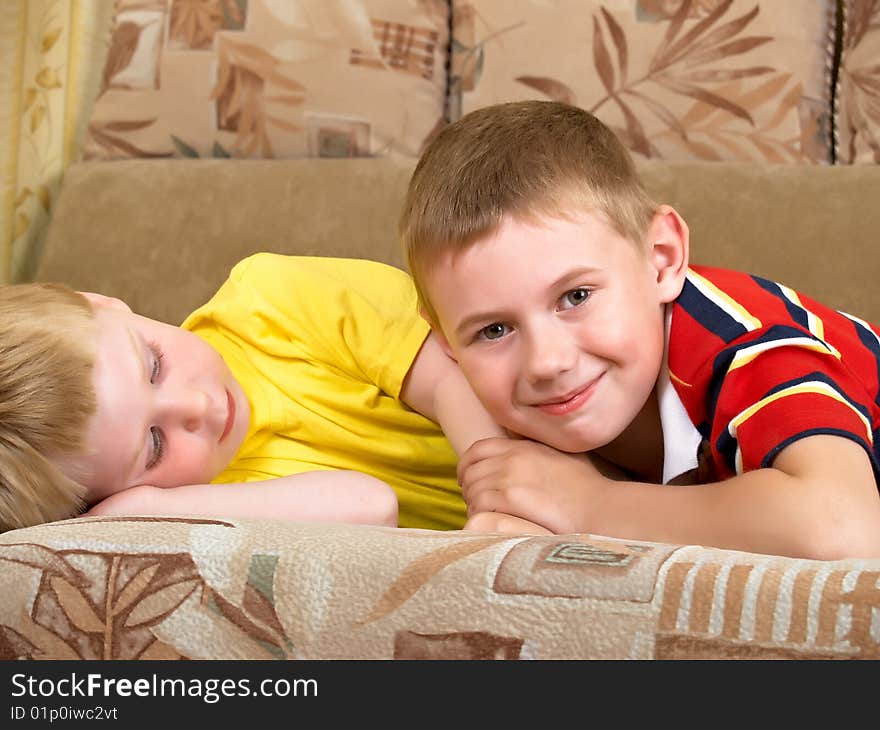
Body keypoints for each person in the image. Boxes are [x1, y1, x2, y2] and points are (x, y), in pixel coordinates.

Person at [399, 99, 880, 559]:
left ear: (661, 260)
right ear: (445, 339)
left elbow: (843, 530)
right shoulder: (528, 401)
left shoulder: (745, 342)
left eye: (576, 297)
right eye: (494, 330)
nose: (547, 361)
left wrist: (590, 504)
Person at [0, 253, 509, 533]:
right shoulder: (202, 506)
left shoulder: (271, 301)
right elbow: (371, 506)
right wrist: (144, 512)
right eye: (154, 446)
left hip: (534, 433)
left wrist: (502, 504)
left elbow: (451, 378)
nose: (198, 407)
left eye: (155, 364)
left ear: (104, 304)